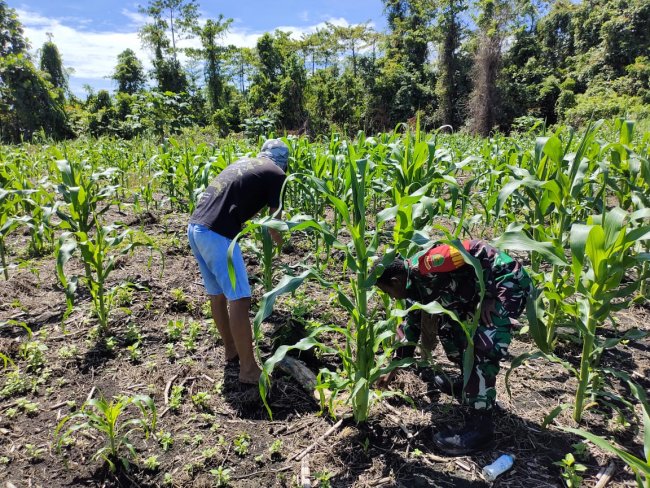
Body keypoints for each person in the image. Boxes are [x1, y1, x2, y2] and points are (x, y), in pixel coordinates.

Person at [373, 239, 533, 455]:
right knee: (451, 332)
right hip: (474, 293)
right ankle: (469, 382)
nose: (391, 297)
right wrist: (393, 368)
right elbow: (410, 326)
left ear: (395, 281)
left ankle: (480, 427)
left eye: (387, 291)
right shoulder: (413, 286)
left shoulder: (429, 263)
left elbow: (480, 252)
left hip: (505, 285)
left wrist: (490, 295)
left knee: (483, 346)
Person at [187, 139, 288, 384]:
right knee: (240, 298)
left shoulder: (245, 164)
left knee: (218, 294)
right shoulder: (277, 173)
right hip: (217, 234)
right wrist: (283, 245)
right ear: (285, 160)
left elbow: (242, 204)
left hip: (195, 228)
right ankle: (249, 370)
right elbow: (275, 225)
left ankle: (231, 350)